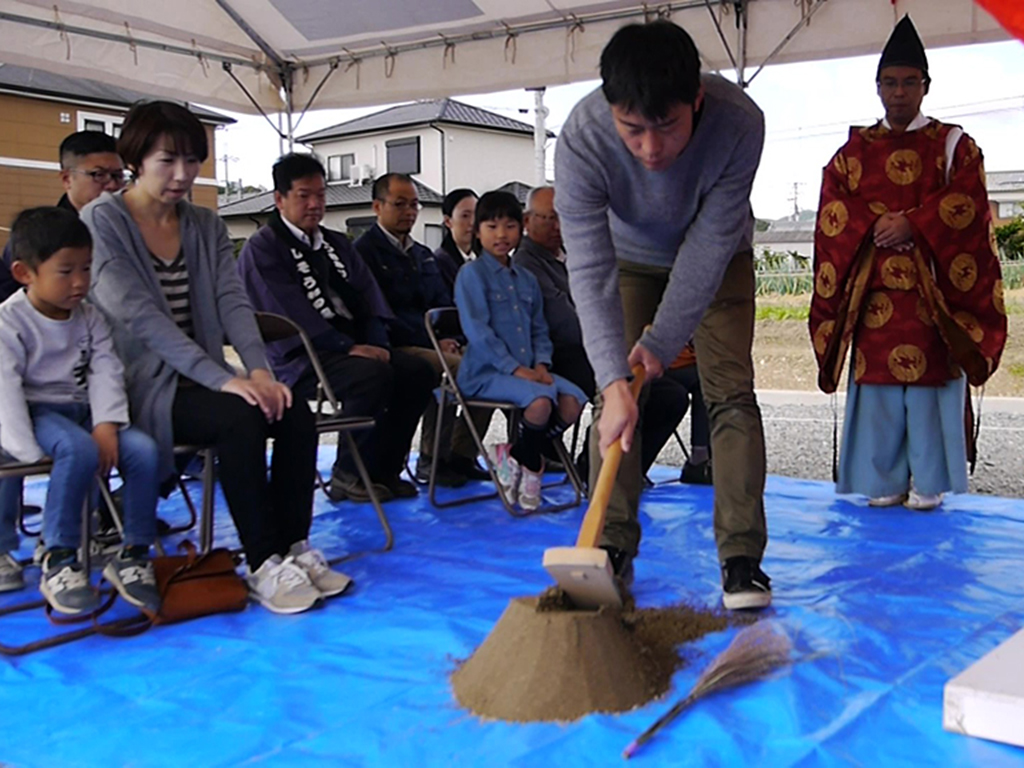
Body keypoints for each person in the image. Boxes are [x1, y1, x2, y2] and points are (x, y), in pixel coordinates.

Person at [81, 101, 350, 615]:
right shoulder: (103, 220)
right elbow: (138, 316)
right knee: (238, 417)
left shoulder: (203, 224)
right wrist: (224, 380)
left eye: (192, 161)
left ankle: (294, 546)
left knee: (290, 408)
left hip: (203, 377)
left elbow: (232, 300)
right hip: (137, 386)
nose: (182, 175)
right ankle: (262, 562)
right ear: (136, 158)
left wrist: (260, 372)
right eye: (167, 161)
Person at [555, 20, 771, 609]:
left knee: (729, 393)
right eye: (633, 130)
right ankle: (612, 547)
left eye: (667, 126)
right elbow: (589, 268)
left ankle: (741, 559)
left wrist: (660, 342)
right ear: (610, 109)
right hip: (625, 259)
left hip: (719, 254)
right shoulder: (580, 138)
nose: (651, 149)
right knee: (617, 400)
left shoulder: (739, 121)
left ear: (696, 100)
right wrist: (613, 377)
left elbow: (707, 249)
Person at [809, 15, 1006, 510]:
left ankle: (930, 480)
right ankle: (883, 479)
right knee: (876, 385)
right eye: (890, 83)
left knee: (929, 383)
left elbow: (968, 203)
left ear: (925, 87)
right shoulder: (853, 152)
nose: (899, 93)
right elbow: (834, 207)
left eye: (909, 83)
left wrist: (914, 224)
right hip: (873, 291)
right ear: (877, 88)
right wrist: (873, 227)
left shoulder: (953, 145)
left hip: (931, 294)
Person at [237, 153, 435, 502]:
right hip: (301, 357)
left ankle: (384, 470)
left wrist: (377, 343)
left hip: (352, 348)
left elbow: (369, 298)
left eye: (321, 195)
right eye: (303, 195)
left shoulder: (337, 243)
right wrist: (348, 347)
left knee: (417, 371)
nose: (315, 204)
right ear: (279, 199)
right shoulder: (263, 248)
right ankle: (348, 473)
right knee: (370, 375)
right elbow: (287, 314)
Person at [0, 207, 160, 615]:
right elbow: (5, 387)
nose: (79, 282)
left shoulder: (90, 316)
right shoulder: (10, 321)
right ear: (24, 273)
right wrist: (26, 452)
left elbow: (107, 369)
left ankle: (134, 553)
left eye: (86, 269)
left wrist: (107, 424)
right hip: (38, 412)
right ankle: (59, 557)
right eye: (65, 271)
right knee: (77, 449)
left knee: (143, 450)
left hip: (84, 409)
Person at [0, 131, 126, 587]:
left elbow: (109, 356)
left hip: (100, 375)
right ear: (66, 177)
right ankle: (44, 546)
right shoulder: (37, 238)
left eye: (118, 175)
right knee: (22, 444)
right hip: (30, 393)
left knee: (135, 440)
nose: (110, 185)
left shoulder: (124, 228)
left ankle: (110, 523)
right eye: (98, 176)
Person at [355, 173, 491, 486]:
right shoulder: (365, 253)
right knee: (454, 370)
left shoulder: (421, 254)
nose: (409, 211)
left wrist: (449, 337)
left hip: (434, 341)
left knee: (494, 365)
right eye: (400, 204)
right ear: (377, 206)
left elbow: (443, 305)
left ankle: (462, 453)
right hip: (397, 343)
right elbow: (380, 312)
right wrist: (434, 341)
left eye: (414, 204)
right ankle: (433, 457)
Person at [455, 191, 585, 512]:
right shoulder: (471, 275)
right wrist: (515, 369)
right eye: (492, 226)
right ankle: (533, 469)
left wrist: (541, 363)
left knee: (574, 401)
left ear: (520, 229)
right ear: (478, 231)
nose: (502, 235)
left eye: (510, 226)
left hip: (528, 370)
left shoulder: (526, 279)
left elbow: (540, 327)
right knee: (540, 402)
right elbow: (478, 332)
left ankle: (516, 455)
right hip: (486, 373)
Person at [641, 344, 712, 483]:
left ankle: (700, 459)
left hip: (689, 363)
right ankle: (699, 460)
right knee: (675, 396)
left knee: (711, 379)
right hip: (654, 365)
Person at [434, 188, 479, 294]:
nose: (472, 222)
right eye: (465, 216)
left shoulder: (486, 258)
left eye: (476, 215)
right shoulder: (440, 262)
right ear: (448, 221)